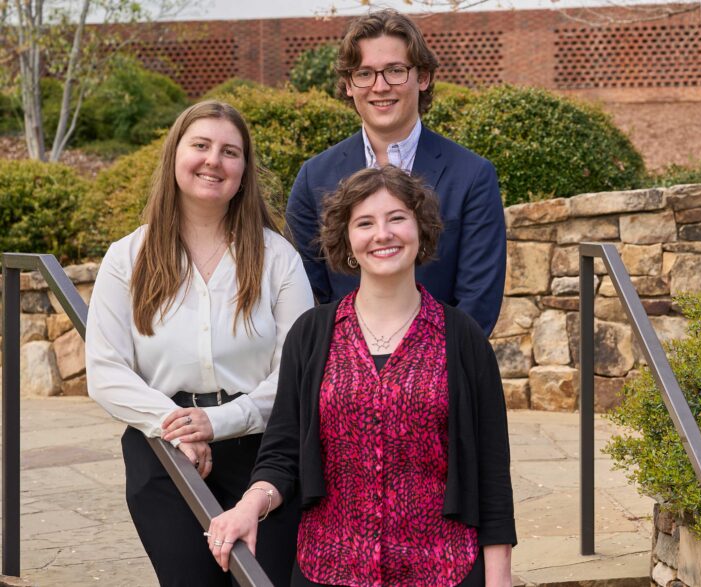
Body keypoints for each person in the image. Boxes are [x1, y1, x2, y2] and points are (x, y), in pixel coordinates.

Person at [207, 165, 516, 586]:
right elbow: (282, 454)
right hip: (328, 567)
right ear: (348, 241)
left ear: (420, 231)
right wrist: (249, 506)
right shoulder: (312, 335)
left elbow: (492, 480)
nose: (382, 234)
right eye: (365, 223)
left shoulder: (462, 338)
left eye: (397, 218)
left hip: (442, 568)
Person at [85, 100, 315, 586]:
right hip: (165, 456)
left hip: (264, 454)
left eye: (230, 152)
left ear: (244, 172)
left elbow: (296, 373)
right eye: (201, 146)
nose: (214, 160)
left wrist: (216, 422)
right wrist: (177, 430)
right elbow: (105, 370)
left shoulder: (279, 258)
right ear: (174, 156)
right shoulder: (128, 257)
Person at [286, 9, 506, 335]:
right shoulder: (313, 178)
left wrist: (421, 371)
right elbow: (307, 294)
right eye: (365, 73)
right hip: (343, 374)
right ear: (348, 85)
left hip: (442, 374)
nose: (380, 86)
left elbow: (478, 301)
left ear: (423, 77)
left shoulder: (473, 176)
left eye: (395, 70)